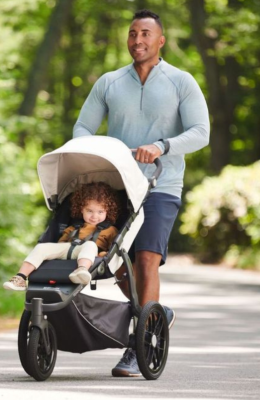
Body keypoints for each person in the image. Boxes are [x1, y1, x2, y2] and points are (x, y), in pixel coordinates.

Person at [73, 9, 210, 377]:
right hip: (117, 185)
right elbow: (83, 125)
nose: (138, 40)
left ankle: (139, 344)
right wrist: (91, 150)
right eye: (133, 33)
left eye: (146, 34)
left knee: (147, 259)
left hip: (160, 184)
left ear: (160, 40)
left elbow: (201, 132)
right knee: (115, 261)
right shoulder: (109, 82)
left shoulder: (181, 81)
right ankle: (154, 314)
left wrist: (162, 146)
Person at [3, 182, 120, 290]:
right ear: (82, 210)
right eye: (89, 211)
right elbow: (61, 244)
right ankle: (21, 278)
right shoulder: (74, 227)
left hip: (89, 253)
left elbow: (112, 249)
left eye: (100, 212)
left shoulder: (110, 230)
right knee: (42, 247)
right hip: (69, 248)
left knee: (90, 245)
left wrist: (103, 254)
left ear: (107, 212)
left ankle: (81, 270)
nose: (94, 216)